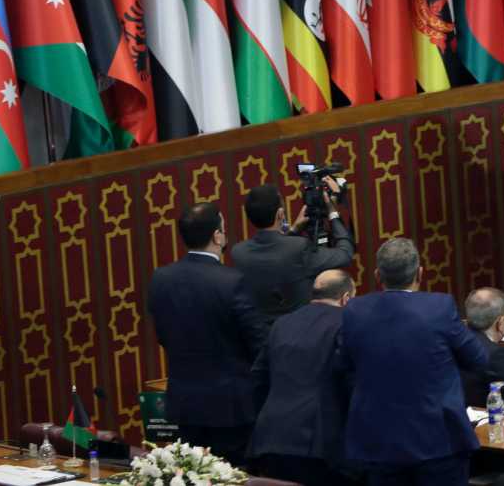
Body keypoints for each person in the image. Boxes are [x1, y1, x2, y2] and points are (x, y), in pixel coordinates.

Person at [338, 238, 487, 485]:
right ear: (420, 273)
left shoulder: (355, 310)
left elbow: (342, 365)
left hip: (378, 441)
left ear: (377, 276)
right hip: (438, 439)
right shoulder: (439, 307)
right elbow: (478, 358)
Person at [147, 203, 267, 467]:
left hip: (185, 405)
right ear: (217, 236)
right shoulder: (232, 281)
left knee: (194, 474)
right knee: (235, 475)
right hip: (231, 409)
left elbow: (163, 337)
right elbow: (259, 345)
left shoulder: (161, 279)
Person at [251, 270, 357, 485]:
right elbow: (351, 382)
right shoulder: (346, 323)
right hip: (320, 445)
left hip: (270, 438)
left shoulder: (282, 323)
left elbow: (258, 379)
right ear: (346, 298)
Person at [232, 181, 355, 329]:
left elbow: (277, 254)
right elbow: (345, 254)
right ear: (280, 214)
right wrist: (332, 212)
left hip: (262, 337)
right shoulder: (299, 248)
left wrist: (293, 230)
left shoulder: (239, 253)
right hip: (301, 332)